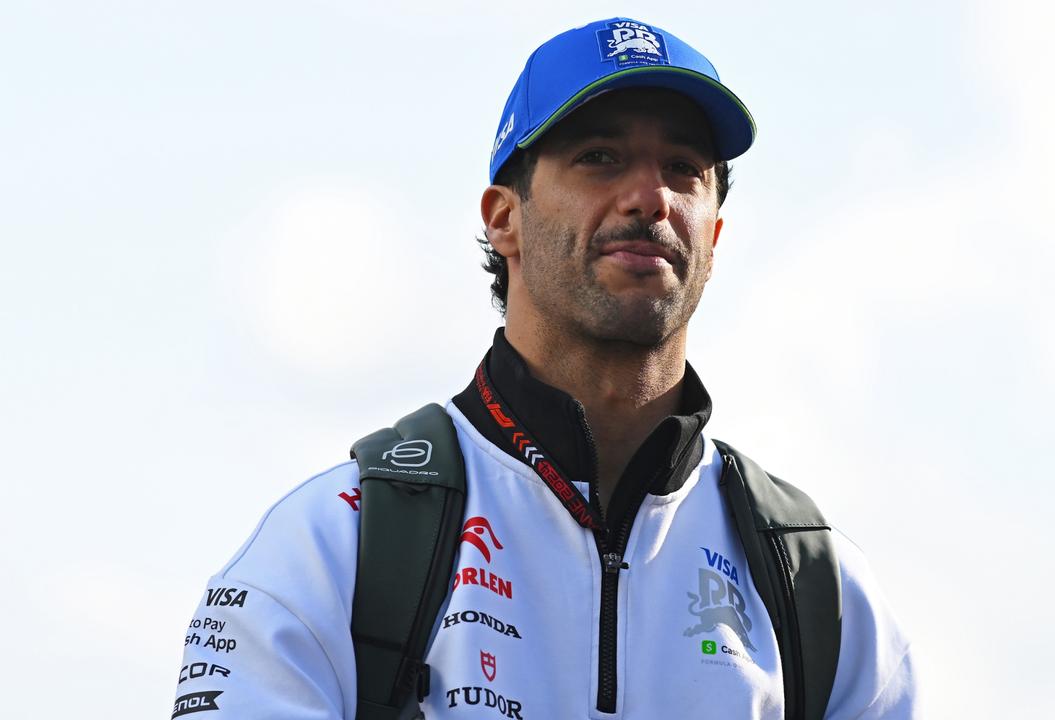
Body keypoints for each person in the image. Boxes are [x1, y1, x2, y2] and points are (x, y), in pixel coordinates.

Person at [171, 17, 917, 720]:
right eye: (600, 157)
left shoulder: (820, 587)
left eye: (685, 168)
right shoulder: (333, 547)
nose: (650, 196)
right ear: (504, 218)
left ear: (714, 235)